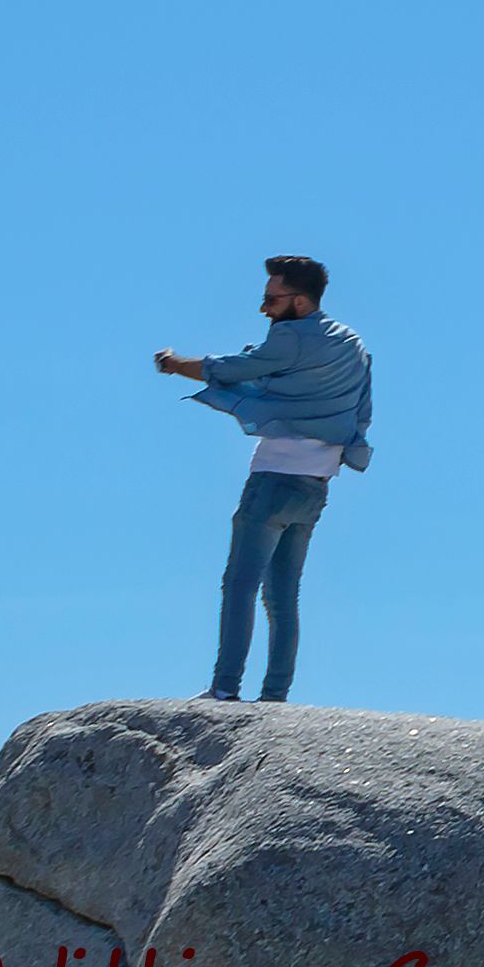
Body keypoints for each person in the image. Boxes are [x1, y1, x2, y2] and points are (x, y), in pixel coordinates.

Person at [153, 255, 373, 704]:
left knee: (239, 584)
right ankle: (275, 696)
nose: (264, 309)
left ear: (299, 299)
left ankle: (224, 688)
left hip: (274, 479)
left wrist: (175, 364)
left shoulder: (290, 339)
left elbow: (233, 368)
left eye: (271, 299)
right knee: (283, 594)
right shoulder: (353, 344)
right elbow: (362, 412)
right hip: (316, 486)